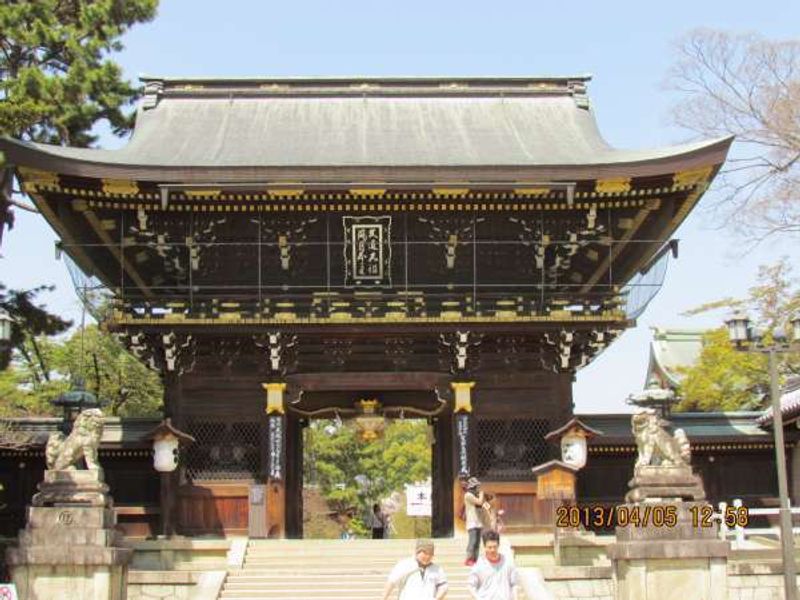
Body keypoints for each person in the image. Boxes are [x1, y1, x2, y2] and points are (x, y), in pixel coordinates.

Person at [382, 539, 448, 600]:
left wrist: (437, 598)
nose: (427, 556)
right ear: (417, 552)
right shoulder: (405, 564)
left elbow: (443, 586)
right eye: (425, 553)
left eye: (430, 554)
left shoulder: (437, 569)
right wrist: (384, 598)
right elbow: (391, 581)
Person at [467, 530, 519, 600]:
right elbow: (471, 585)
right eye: (489, 547)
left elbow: (514, 584)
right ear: (485, 547)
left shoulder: (508, 562)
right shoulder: (479, 565)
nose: (492, 550)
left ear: (498, 545)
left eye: (495, 547)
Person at [464, 476, 490, 566]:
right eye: (476, 486)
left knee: (478, 542)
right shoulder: (468, 495)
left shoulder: (476, 495)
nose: (478, 488)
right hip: (472, 522)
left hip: (479, 522)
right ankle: (468, 558)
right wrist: (482, 494)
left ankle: (475, 559)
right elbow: (479, 502)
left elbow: (484, 505)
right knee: (473, 541)